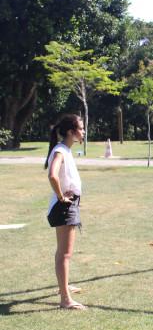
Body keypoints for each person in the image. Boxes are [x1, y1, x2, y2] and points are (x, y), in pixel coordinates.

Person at [45, 114, 86, 310]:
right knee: (65, 254)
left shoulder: (65, 149)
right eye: (81, 128)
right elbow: (53, 175)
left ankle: (64, 287)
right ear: (71, 132)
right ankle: (65, 299)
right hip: (64, 207)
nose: (83, 131)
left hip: (67, 205)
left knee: (62, 252)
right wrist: (62, 197)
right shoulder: (61, 150)